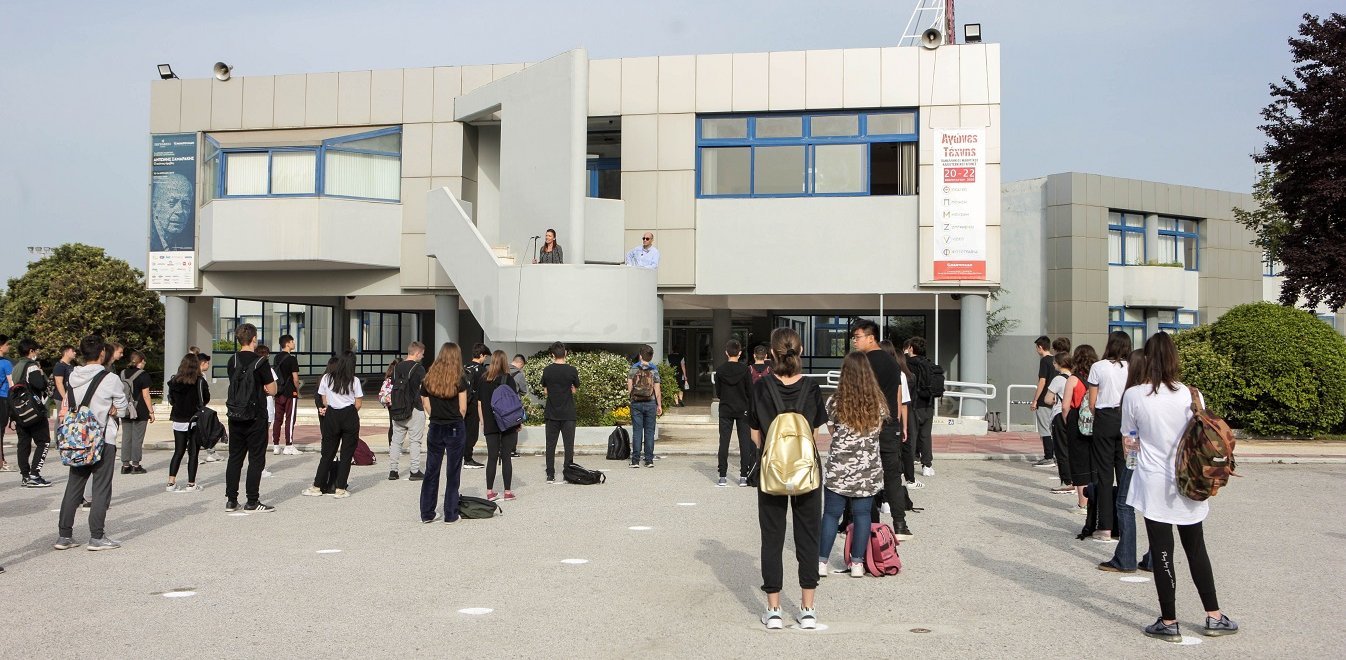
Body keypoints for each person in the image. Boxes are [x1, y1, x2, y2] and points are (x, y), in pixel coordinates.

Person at [1123, 332, 1238, 641]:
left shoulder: (1134, 395)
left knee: (1162, 550)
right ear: (1175, 358)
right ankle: (1214, 616)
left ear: (1147, 359)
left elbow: (1129, 440)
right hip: (1191, 480)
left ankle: (1169, 621)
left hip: (1153, 483)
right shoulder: (1192, 394)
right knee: (1196, 547)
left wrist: (1134, 460)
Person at [749, 327, 826, 630]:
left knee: (772, 537)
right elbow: (815, 433)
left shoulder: (762, 386)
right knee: (808, 536)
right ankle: (807, 609)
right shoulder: (812, 387)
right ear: (801, 350)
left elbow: (755, 434)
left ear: (771, 353)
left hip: (772, 472)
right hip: (806, 471)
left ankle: (774, 610)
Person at [54, 335, 129, 551]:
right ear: (102, 353)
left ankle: (64, 535)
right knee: (101, 488)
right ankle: (96, 536)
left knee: (74, 487)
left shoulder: (73, 375)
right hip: (102, 438)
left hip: (78, 439)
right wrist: (113, 409)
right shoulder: (110, 378)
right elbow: (122, 408)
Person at [818, 351, 888, 578]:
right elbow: (878, 431)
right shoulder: (878, 402)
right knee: (862, 514)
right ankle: (857, 563)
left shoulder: (835, 401)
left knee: (831, 514)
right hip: (868, 468)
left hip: (839, 466)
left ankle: (821, 561)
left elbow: (832, 430)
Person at [853, 322, 912, 540]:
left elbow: (860, 395)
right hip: (890, 424)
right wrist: (897, 422)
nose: (855, 341)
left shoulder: (863, 362)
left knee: (865, 475)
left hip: (868, 425)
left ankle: (870, 524)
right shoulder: (892, 362)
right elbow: (897, 395)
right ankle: (900, 524)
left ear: (871, 337)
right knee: (892, 476)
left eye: (858, 337)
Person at [1100, 349, 1152, 573]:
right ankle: (1154, 558)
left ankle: (1126, 558)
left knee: (1124, 503)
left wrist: (1129, 463)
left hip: (1138, 457)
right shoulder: (1169, 391)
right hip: (1164, 460)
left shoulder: (1133, 394)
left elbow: (1129, 436)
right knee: (1154, 508)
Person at [224, 324, 277, 513]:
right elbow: (273, 389)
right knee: (256, 458)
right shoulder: (261, 362)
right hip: (256, 415)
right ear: (254, 338)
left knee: (235, 458)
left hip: (235, 414)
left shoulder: (232, 360)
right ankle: (252, 501)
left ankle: (231, 500)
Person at [1087, 331, 1132, 544]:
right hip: (1126, 419)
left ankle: (1105, 526)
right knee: (1124, 472)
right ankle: (1124, 526)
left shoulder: (1098, 367)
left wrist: (1099, 417)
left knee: (1104, 474)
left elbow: (1092, 402)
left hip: (1104, 418)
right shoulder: (1133, 368)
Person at [419, 343, 470, 523]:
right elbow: (463, 408)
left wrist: (435, 414)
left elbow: (425, 402)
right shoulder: (459, 379)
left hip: (436, 425)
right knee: (453, 471)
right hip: (454, 425)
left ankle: (427, 513)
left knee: (431, 470)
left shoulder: (429, 377)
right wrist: (455, 417)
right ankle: (451, 513)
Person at [303, 352, 363, 499]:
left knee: (327, 454)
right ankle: (340, 488)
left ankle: (317, 486)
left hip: (332, 415)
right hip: (349, 415)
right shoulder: (354, 380)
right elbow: (358, 403)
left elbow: (324, 400)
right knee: (346, 454)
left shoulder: (327, 378)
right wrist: (348, 411)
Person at [476, 350, 521, 501]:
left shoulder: (483, 379)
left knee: (492, 458)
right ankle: (507, 492)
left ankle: (490, 492)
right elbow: (514, 403)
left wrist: (482, 421)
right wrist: (518, 423)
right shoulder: (508, 379)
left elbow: (480, 403)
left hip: (490, 423)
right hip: (507, 423)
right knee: (506, 457)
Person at [1064, 344, 1099, 524]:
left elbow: (1065, 406)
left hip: (1077, 420)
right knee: (1094, 461)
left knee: (1078, 462)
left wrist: (1066, 420)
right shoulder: (1097, 378)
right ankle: (1096, 500)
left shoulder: (1073, 379)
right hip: (1095, 421)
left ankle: (1082, 503)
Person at [714, 339, 754, 488]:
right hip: (742, 409)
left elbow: (718, 392)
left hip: (725, 408)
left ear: (726, 352)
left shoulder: (720, 370)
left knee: (724, 442)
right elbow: (750, 391)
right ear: (740, 353)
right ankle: (743, 476)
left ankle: (722, 476)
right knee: (744, 443)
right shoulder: (745, 370)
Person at [13, 339, 52, 487]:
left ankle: (25, 475)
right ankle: (34, 474)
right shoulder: (32, 366)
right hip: (34, 410)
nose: (37, 352)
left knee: (23, 443)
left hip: (19, 410)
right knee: (43, 441)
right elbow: (40, 385)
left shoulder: (16, 366)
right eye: (36, 350)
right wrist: (41, 374)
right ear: (31, 351)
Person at [539, 342, 580, 483]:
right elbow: (575, 388)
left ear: (552, 354)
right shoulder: (572, 370)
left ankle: (550, 474)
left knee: (550, 445)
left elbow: (545, 390)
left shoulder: (547, 370)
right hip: (568, 413)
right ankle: (568, 473)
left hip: (551, 412)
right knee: (569, 445)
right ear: (565, 353)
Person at [166, 353, 207, 492]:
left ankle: (171, 482)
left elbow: (171, 399)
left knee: (178, 451)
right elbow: (205, 398)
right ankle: (191, 483)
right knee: (193, 452)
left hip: (178, 418)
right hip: (193, 418)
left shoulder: (174, 381)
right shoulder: (199, 381)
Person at [880, 340, 916, 490]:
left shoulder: (871, 371)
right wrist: (904, 427)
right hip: (893, 422)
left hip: (875, 420)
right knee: (891, 459)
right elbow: (903, 403)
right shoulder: (899, 373)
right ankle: (889, 495)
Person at [389, 342, 427, 482]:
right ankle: (414, 470)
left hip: (398, 408)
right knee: (415, 441)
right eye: (422, 354)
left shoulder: (396, 367)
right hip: (414, 408)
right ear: (417, 353)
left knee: (396, 441)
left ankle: (393, 471)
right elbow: (424, 388)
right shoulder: (419, 368)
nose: (422, 357)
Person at [903, 337, 937, 478]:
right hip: (928, 404)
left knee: (911, 436)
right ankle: (927, 466)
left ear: (911, 348)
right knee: (925, 436)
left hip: (913, 405)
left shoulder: (907, 364)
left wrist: (904, 355)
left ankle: (908, 466)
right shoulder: (929, 363)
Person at [626, 344, 663, 468]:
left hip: (636, 402)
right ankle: (649, 460)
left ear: (640, 356)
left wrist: (632, 397)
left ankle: (635, 461)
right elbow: (657, 389)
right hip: (650, 402)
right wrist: (659, 405)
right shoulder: (654, 369)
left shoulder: (633, 368)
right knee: (649, 432)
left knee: (637, 431)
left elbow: (629, 386)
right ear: (651, 357)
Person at [119, 350, 154, 475]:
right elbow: (146, 395)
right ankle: (135, 465)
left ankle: (125, 465)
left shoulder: (122, 373)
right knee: (137, 438)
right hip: (139, 409)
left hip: (125, 408)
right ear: (141, 361)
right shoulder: (143, 375)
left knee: (126, 437)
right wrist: (151, 411)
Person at [1046, 352, 1075, 494]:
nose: (1053, 364)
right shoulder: (1075, 377)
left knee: (1061, 449)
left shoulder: (1058, 379)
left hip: (1059, 414)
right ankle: (1076, 480)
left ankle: (1066, 481)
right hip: (1073, 415)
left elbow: (1047, 399)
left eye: (1054, 362)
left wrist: (1055, 401)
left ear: (1059, 364)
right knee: (1072, 448)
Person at [1029, 336, 1058, 468]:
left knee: (1044, 429)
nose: (1036, 350)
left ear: (1040, 347)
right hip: (1055, 399)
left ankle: (1048, 457)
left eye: (1036, 347)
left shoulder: (1044, 361)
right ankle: (1056, 456)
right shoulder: (1055, 360)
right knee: (1053, 429)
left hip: (1044, 399)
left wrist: (1035, 400)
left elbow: (1042, 381)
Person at [271, 334, 301, 455]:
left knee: (278, 419)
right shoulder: (292, 359)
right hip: (289, 392)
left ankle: (276, 445)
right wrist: (297, 389)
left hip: (279, 392)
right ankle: (289, 445)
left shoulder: (276, 358)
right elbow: (295, 378)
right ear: (287, 344)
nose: (294, 343)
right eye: (292, 341)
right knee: (290, 418)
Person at [462, 344, 490, 469]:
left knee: (463, 431)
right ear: (481, 355)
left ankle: (463, 455)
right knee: (472, 432)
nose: (485, 359)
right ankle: (468, 459)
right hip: (474, 404)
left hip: (463, 402)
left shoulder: (465, 367)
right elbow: (484, 389)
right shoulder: (482, 370)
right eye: (485, 357)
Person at [150, 172, 193, 252]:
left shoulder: (187, 241)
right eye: (172, 202)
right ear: (155, 206)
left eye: (185, 203)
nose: (180, 211)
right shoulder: (148, 241)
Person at [197, 353, 222, 463]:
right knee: (202, 430)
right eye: (207, 363)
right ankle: (195, 455)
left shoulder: (203, 375)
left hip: (202, 406)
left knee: (208, 429)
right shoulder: (198, 377)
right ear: (202, 363)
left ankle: (211, 451)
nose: (208, 365)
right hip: (198, 407)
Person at [0, 335, 13, 472]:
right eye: (7, 344)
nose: (8, 347)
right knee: (1, 430)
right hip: (3, 398)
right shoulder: (6, 363)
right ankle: (1, 461)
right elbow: (11, 383)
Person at [51, 343, 76, 412]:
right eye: (73, 351)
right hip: (61, 398)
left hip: (69, 396)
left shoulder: (70, 365)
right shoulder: (60, 366)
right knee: (62, 417)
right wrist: (65, 398)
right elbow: (59, 383)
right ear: (66, 353)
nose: (75, 353)